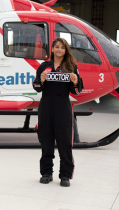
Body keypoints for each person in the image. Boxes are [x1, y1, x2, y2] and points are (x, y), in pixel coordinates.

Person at [32, 37, 83, 187]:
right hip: (46, 105)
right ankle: (46, 173)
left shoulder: (71, 67)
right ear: (52, 49)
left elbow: (77, 90)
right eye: (57, 47)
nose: (59, 49)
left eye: (62, 47)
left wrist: (75, 81)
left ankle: (65, 175)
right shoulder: (44, 67)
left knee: (64, 142)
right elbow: (36, 87)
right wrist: (41, 80)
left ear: (66, 50)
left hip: (63, 106)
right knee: (46, 141)